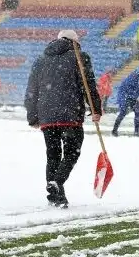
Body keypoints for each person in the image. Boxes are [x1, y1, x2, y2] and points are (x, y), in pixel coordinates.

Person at [24, 29, 102, 208]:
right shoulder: (79, 57)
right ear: (74, 42)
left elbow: (31, 90)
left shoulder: (40, 60)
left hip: (47, 116)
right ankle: (57, 183)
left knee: (53, 155)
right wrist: (96, 109)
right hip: (70, 114)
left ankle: (55, 196)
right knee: (72, 153)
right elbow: (87, 85)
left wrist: (32, 116)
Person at [112, 65, 139, 137]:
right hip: (124, 95)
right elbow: (127, 87)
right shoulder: (134, 76)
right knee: (123, 112)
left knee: (138, 111)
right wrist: (135, 95)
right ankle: (114, 130)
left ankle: (136, 131)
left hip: (135, 97)